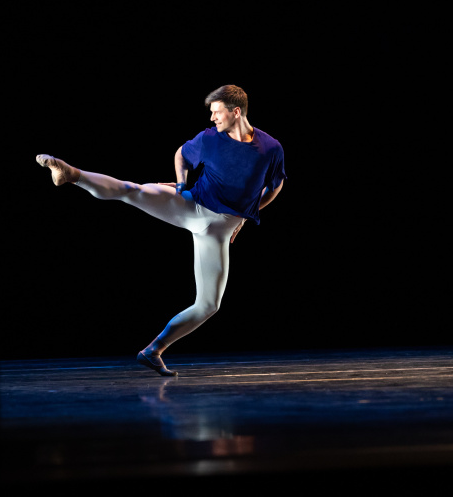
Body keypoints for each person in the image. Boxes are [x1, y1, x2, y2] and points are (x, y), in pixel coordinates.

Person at [36, 85, 286, 376]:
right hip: (191, 205)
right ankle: (72, 174)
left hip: (217, 230)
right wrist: (180, 181)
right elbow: (181, 154)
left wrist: (248, 214)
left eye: (217, 112)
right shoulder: (209, 138)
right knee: (133, 191)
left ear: (236, 112)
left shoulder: (270, 148)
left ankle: (153, 350)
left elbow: (275, 185)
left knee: (208, 305)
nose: (212, 118)